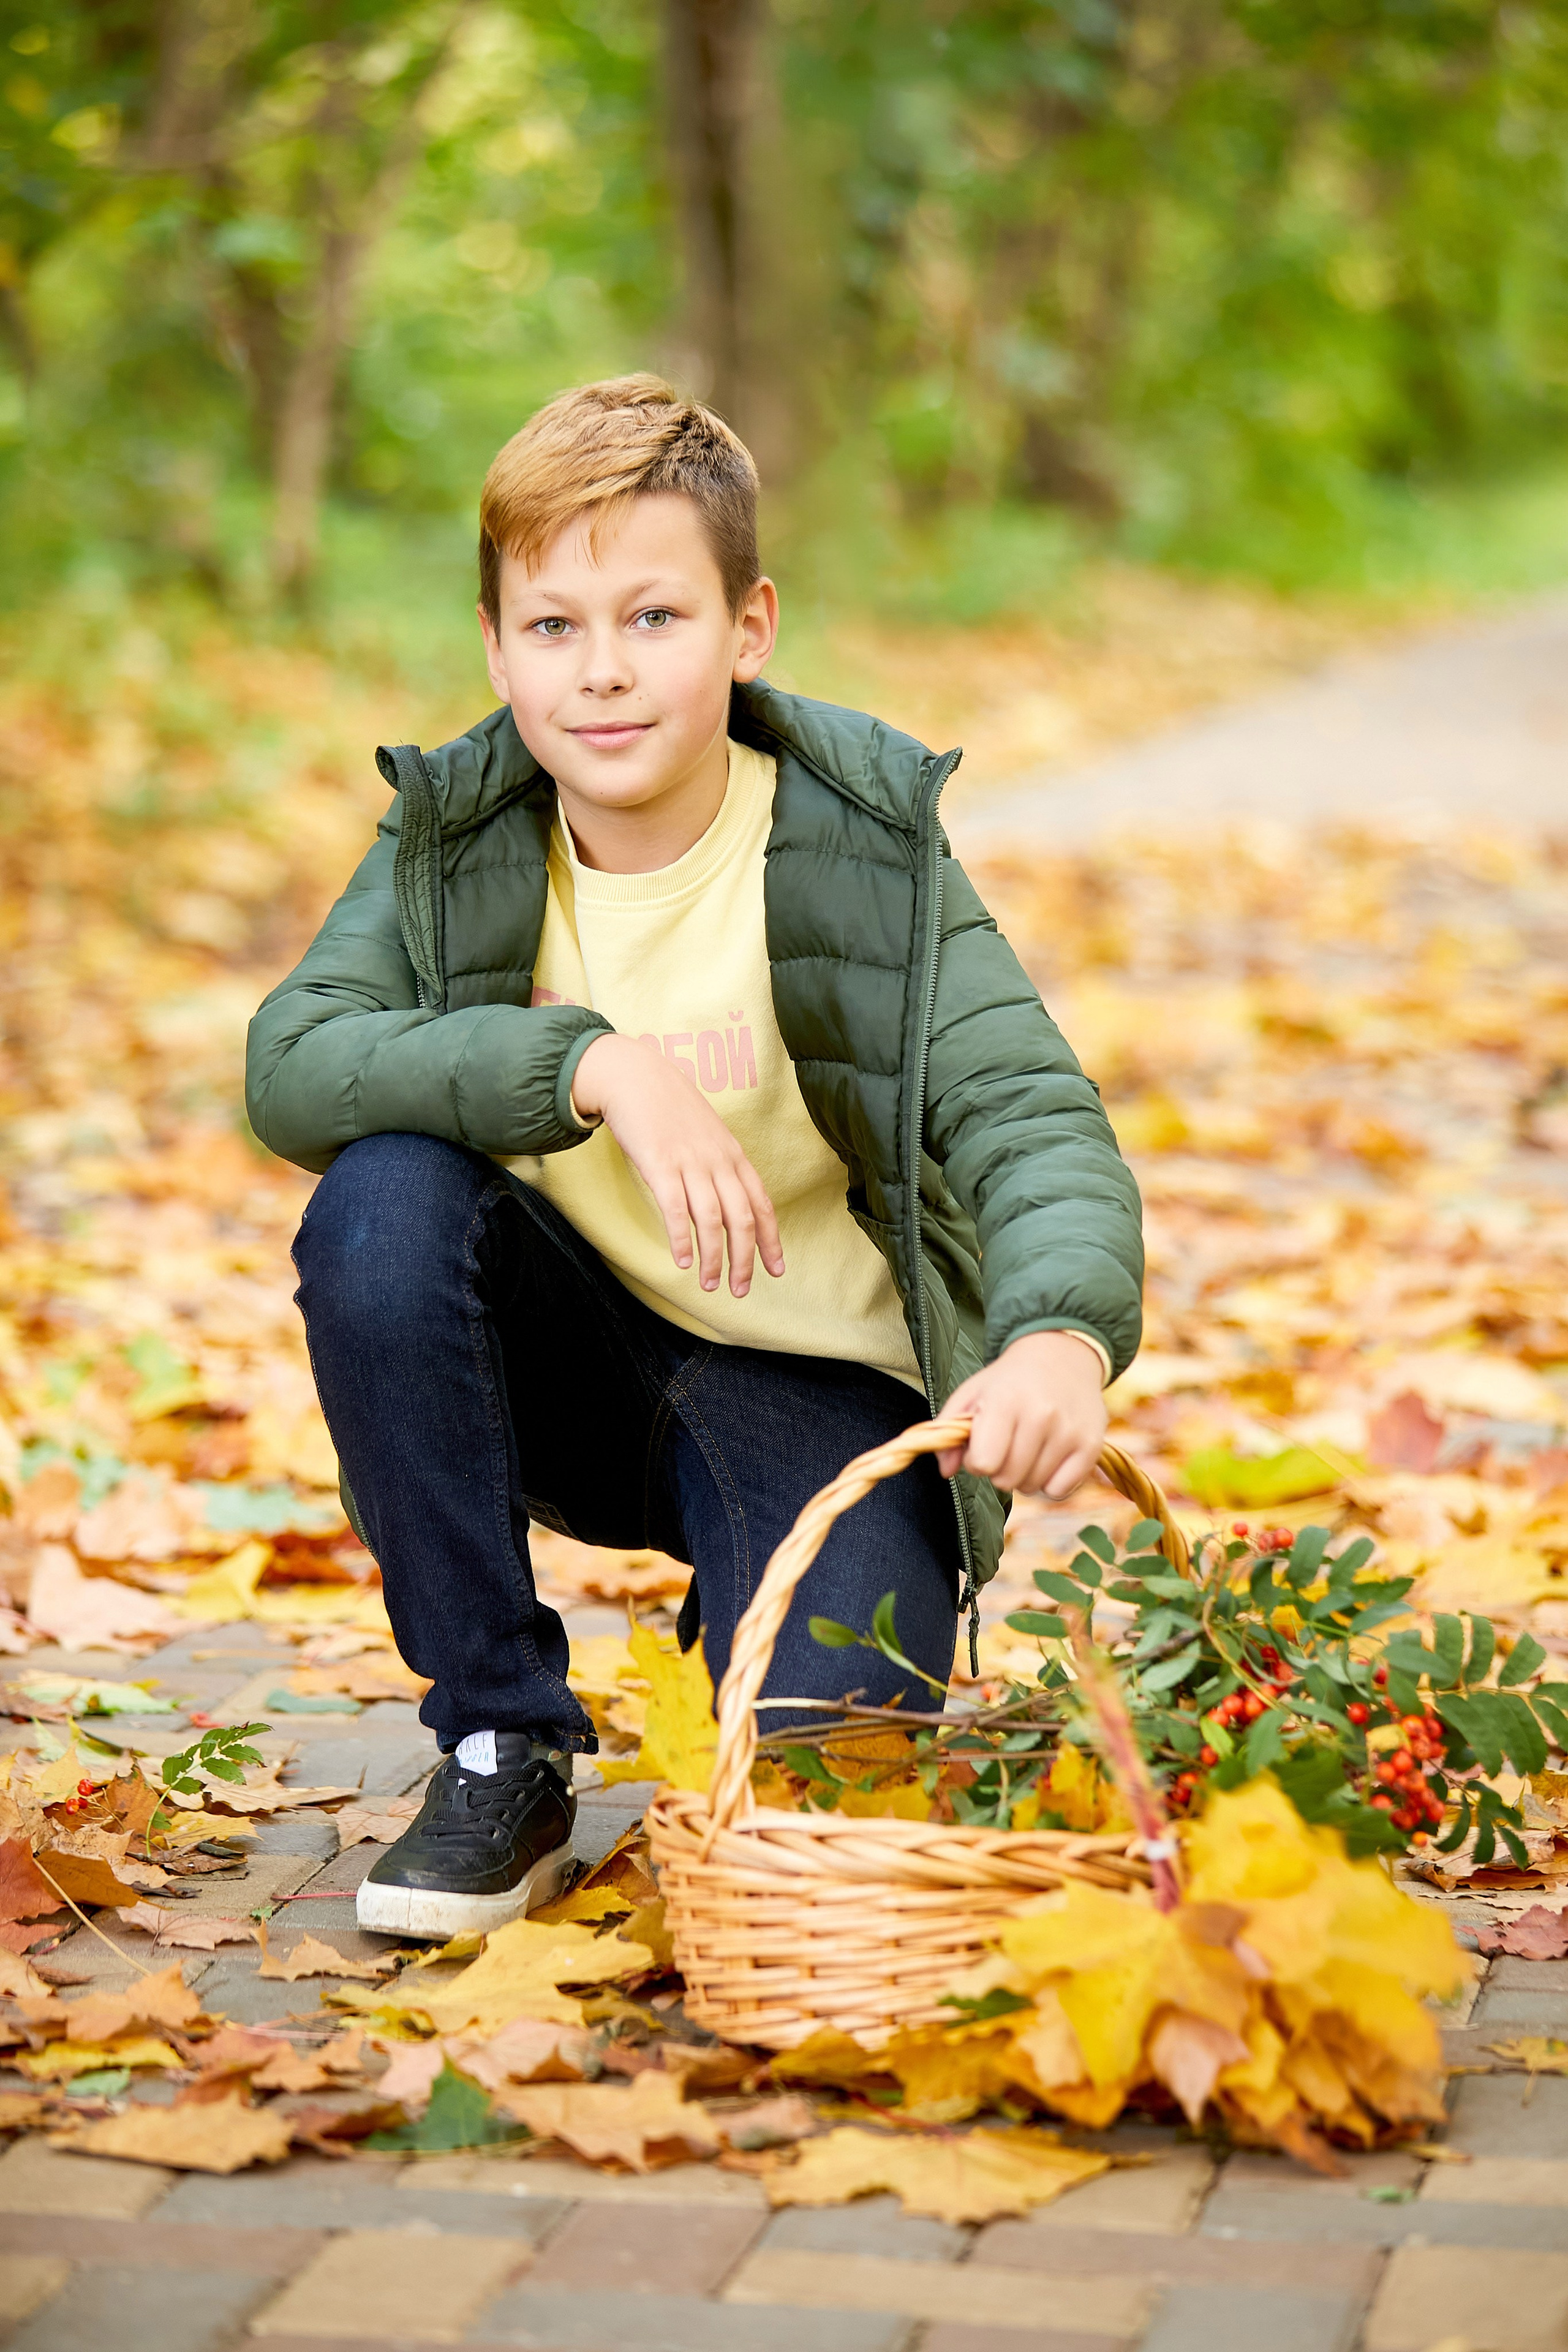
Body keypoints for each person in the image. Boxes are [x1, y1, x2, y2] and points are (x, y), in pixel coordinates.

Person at [245, 375, 1144, 1938]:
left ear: (748, 627)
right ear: (494, 644)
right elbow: (292, 1062)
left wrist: (1057, 1334)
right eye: (553, 628)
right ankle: (498, 1733)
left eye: (654, 618)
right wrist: (590, 1060)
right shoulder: (458, 837)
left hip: (820, 1392)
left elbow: (1026, 1114)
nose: (601, 675)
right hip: (572, 1359)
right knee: (381, 1201)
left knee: (818, 1787)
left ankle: (745, 1613)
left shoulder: (861, 844)